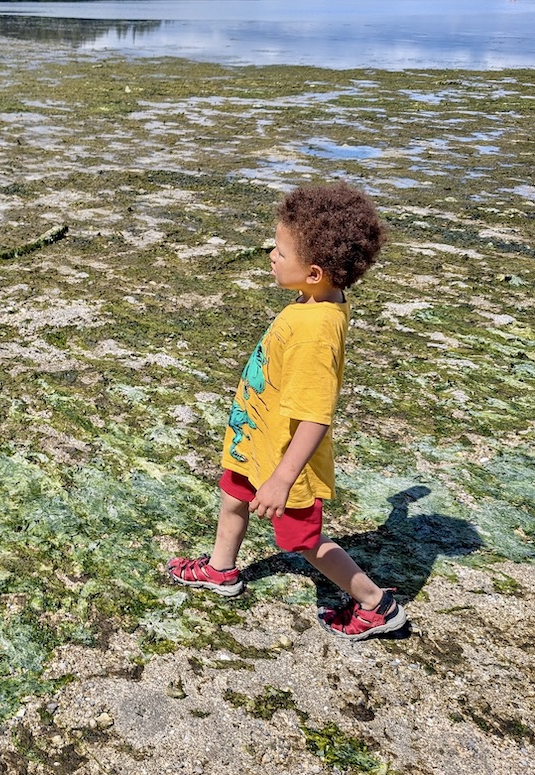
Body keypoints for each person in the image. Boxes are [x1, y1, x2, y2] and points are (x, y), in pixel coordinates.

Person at [167, 181, 407, 640]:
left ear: (314, 271)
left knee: (302, 541)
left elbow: (317, 415)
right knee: (234, 493)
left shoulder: (316, 333)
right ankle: (221, 570)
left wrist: (282, 478)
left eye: (279, 250)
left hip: (286, 459)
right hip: (259, 438)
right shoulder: (318, 298)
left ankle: (376, 604)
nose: (271, 256)